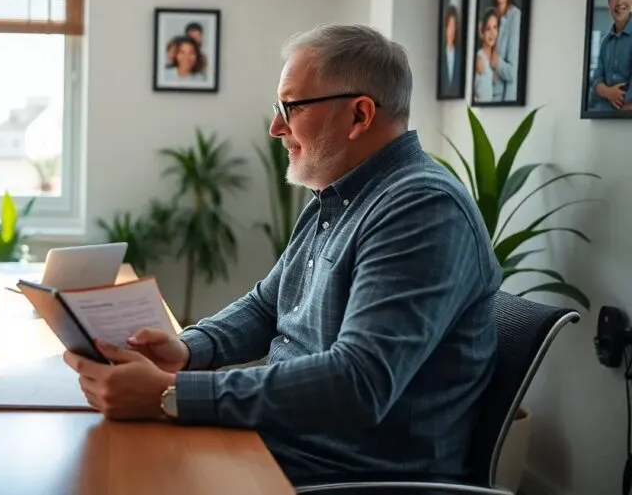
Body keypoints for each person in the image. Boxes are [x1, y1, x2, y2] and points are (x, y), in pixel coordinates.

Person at [63, 24, 501, 486]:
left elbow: (360, 382)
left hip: (346, 474)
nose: (276, 127)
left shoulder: (422, 209)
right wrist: (188, 349)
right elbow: (269, 304)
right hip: (286, 444)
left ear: (359, 115)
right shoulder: (338, 196)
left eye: (291, 107)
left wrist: (172, 395)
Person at [588, 0, 632, 111]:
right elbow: (596, 79)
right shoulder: (605, 42)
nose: (620, 2)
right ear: (608, 4)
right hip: (601, 113)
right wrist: (608, 93)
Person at [487, 0, 522, 102]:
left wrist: (496, 63)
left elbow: (513, 72)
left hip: (503, 100)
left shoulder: (515, 17)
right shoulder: (488, 15)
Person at [473, 8, 499, 103]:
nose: (492, 33)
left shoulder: (494, 57)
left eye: (495, 27)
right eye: (488, 29)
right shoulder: (480, 59)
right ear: (482, 32)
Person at [439, 5, 463, 97]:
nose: (452, 30)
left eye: (454, 27)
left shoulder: (459, 54)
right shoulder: (440, 54)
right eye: (450, 26)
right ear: (445, 28)